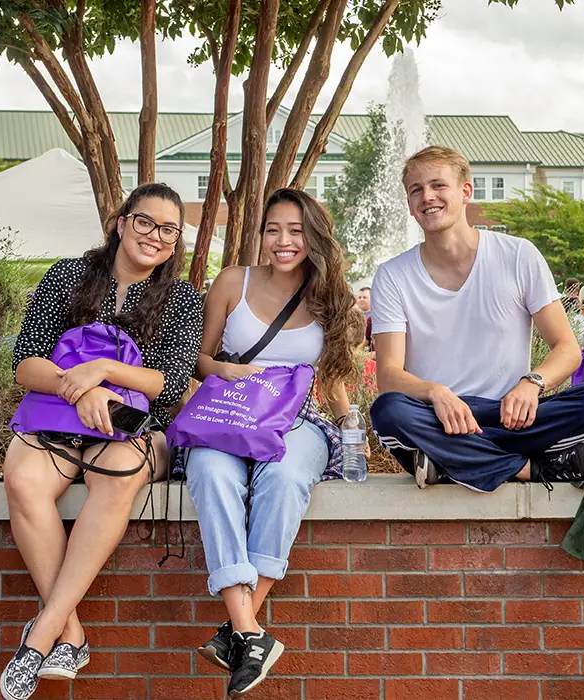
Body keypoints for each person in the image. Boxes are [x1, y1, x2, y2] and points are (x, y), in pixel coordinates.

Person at [0, 184, 203, 700]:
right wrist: (81, 390)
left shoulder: (181, 299)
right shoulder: (67, 277)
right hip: (60, 418)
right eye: (144, 222)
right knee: (22, 477)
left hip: (139, 428)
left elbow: (171, 383)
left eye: (168, 229)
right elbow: (27, 362)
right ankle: (69, 631)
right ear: (120, 222)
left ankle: (42, 632)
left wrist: (105, 371)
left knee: (114, 476)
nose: (155, 236)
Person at [185, 188, 365, 698]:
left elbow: (332, 380)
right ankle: (251, 633)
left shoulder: (330, 297)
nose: (284, 241)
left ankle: (238, 630)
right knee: (210, 472)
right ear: (260, 233)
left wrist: (353, 431)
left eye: (296, 231)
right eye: (273, 230)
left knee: (285, 478)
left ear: (314, 236)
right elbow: (200, 359)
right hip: (232, 413)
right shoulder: (231, 282)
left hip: (299, 419)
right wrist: (223, 367)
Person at [369, 146, 584, 492]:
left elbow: (567, 349)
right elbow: (389, 375)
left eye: (438, 185)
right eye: (416, 190)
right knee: (390, 411)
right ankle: (530, 468)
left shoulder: (518, 255)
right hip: (440, 418)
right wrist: (436, 392)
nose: (427, 197)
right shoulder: (393, 275)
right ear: (410, 205)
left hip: (512, 415)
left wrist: (532, 383)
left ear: (466, 191)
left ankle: (450, 462)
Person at [356, 286, 373, 350]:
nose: (361, 299)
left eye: (364, 297)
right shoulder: (353, 316)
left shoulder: (374, 316)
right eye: (359, 297)